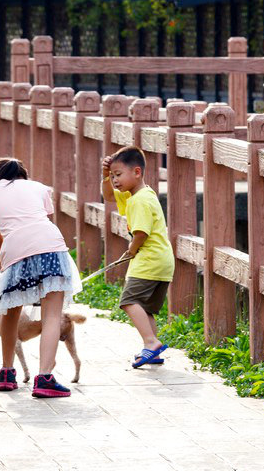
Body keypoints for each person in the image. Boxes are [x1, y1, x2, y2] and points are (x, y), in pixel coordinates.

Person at [0, 157, 82, 398]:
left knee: (11, 311)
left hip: (15, 251)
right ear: (23, 175)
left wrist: (5, 271)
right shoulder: (40, 188)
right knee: (52, 315)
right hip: (51, 247)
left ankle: (6, 373)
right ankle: (44, 378)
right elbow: (41, 222)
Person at [101, 146, 174, 368]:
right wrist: (105, 176)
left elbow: (141, 232)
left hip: (148, 259)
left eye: (118, 175)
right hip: (162, 260)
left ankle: (151, 342)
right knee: (146, 307)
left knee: (129, 301)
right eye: (112, 176)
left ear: (137, 172)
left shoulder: (139, 200)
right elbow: (107, 197)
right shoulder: (139, 194)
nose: (115, 180)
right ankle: (154, 350)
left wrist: (132, 250)